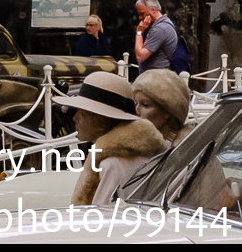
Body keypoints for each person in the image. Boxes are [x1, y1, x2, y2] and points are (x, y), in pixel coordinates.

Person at [56, 71, 171, 206]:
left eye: (82, 113)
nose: (75, 118)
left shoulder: (110, 165)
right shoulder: (140, 153)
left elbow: (102, 221)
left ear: (100, 118)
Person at [133, 0, 177, 71]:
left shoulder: (160, 29)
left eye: (142, 13)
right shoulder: (159, 25)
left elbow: (140, 56)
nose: (140, 18)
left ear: (153, 10)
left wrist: (139, 32)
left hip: (156, 76)